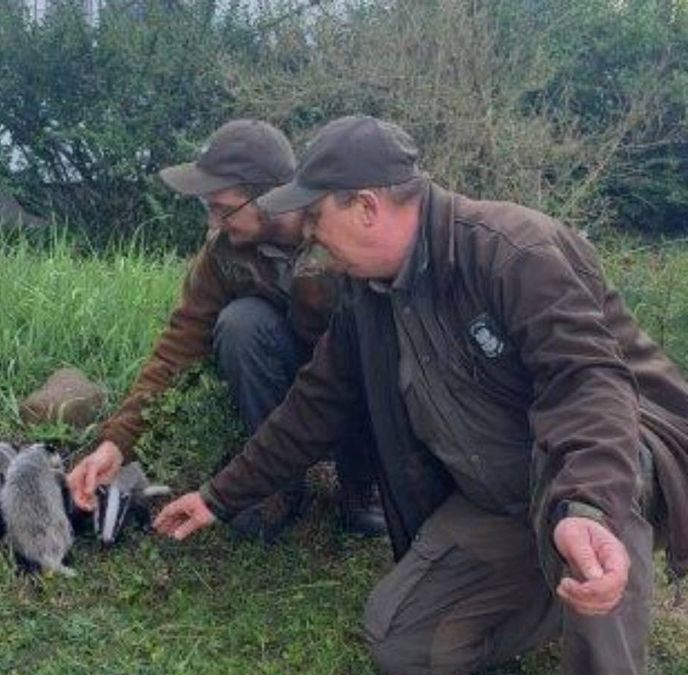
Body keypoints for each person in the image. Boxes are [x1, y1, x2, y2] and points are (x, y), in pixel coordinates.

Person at [153, 114, 688, 674]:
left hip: (599, 462)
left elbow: (589, 385)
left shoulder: (514, 251)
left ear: (366, 206)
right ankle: (554, 584)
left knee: (596, 497)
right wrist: (219, 496)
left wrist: (585, 504)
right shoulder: (365, 292)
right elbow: (315, 403)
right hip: (499, 490)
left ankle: (592, 572)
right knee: (403, 643)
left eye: (314, 215)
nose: (307, 232)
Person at [67, 119, 385, 541]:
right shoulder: (222, 254)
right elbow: (177, 349)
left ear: (271, 199)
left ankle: (364, 483)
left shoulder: (340, 232)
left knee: (367, 346)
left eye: (221, 208)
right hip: (297, 380)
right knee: (242, 323)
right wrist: (116, 443)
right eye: (207, 209)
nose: (213, 225)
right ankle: (276, 486)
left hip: (354, 378)